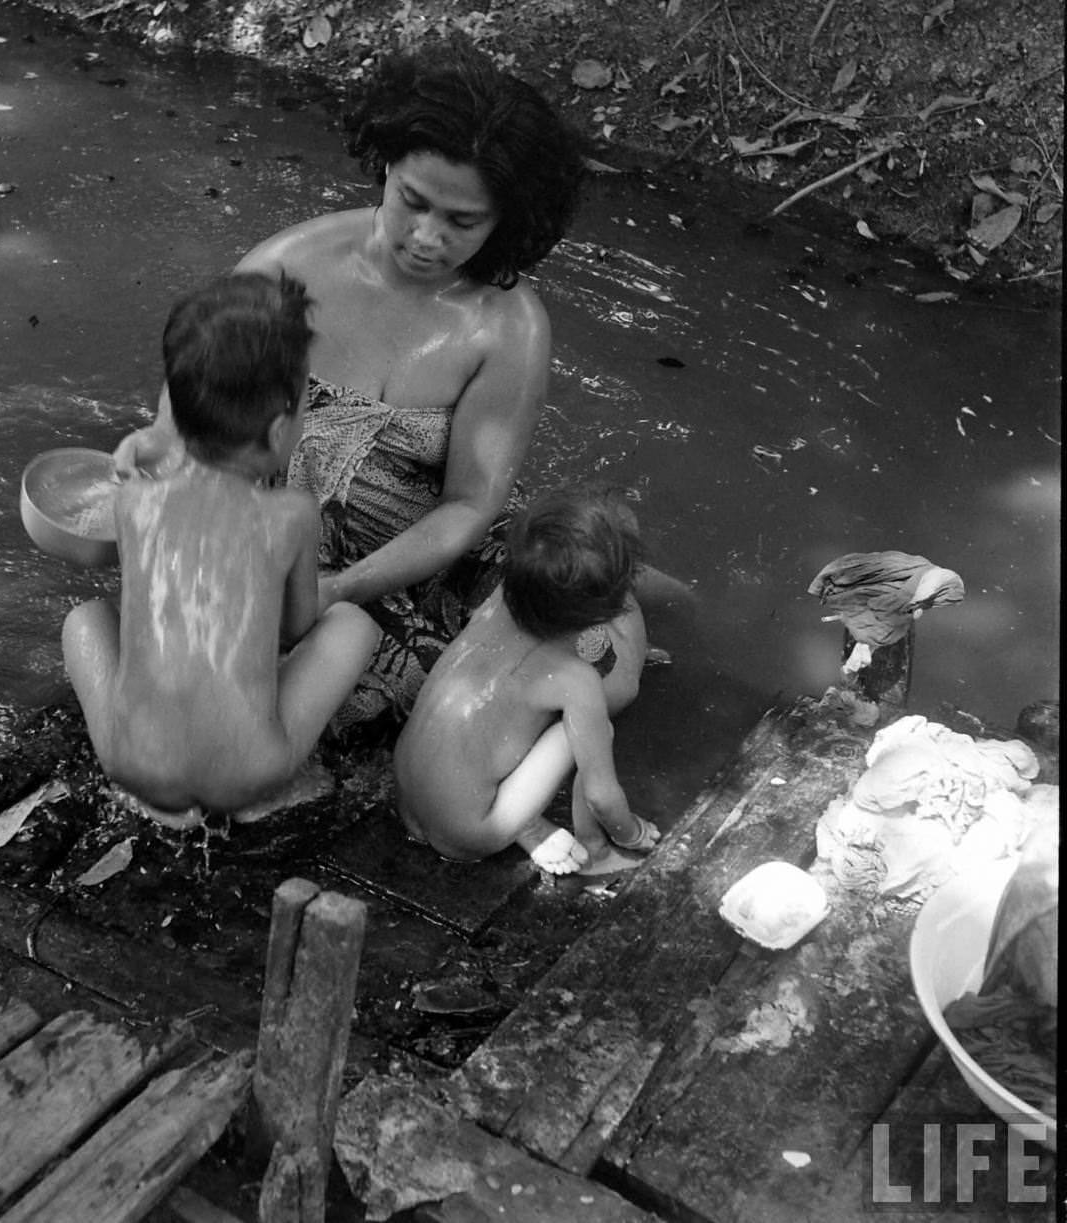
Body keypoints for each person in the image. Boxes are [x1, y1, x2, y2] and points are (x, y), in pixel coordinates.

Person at [114, 39, 585, 727]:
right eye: (413, 202)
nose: (426, 237)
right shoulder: (292, 263)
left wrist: (341, 588)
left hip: (409, 566)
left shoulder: (507, 329)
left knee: (544, 643)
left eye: (462, 222)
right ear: (384, 168)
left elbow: (466, 505)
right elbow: (194, 398)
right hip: (274, 543)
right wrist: (156, 445)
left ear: (506, 219)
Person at [63, 273, 379, 825]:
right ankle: (253, 786)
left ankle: (160, 803)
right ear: (282, 428)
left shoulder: (134, 503)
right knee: (351, 624)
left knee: (85, 619)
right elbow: (297, 627)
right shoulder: (291, 513)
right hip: (248, 774)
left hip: (131, 762)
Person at [394, 486, 662, 875]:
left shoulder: (501, 600)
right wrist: (632, 832)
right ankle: (596, 852)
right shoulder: (575, 678)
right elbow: (601, 795)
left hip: (403, 790)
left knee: (510, 707)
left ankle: (523, 818)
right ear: (604, 614)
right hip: (470, 833)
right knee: (588, 726)